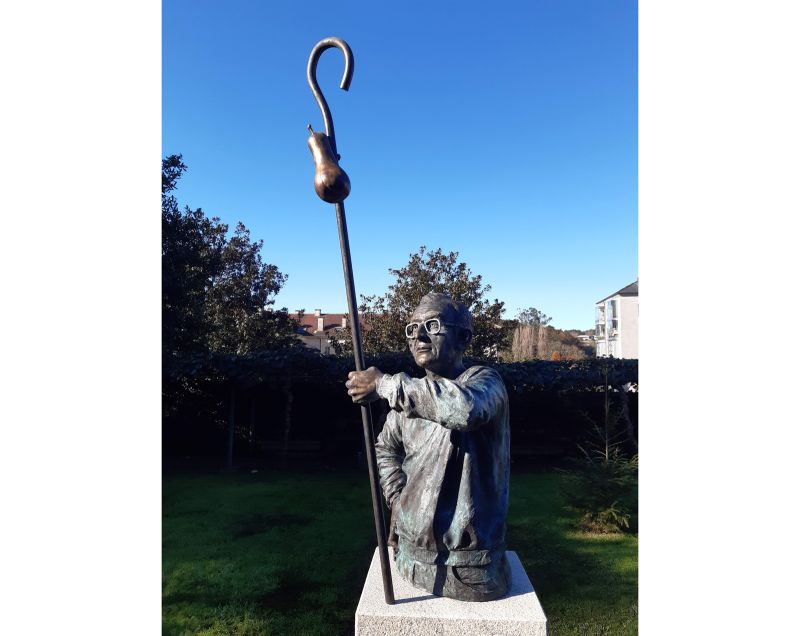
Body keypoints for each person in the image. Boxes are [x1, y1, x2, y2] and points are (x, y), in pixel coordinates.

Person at [345, 292, 511, 601]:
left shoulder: (486, 382)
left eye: (432, 325)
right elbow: (386, 449)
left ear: (463, 337)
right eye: (412, 328)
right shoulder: (406, 403)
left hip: (469, 572)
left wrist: (383, 384)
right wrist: (398, 500)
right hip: (410, 557)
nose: (419, 335)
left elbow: (464, 410)